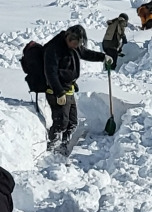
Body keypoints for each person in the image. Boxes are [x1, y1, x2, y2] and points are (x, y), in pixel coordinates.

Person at [43, 24, 112, 153]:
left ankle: (64, 144)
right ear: (68, 37)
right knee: (61, 122)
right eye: (74, 44)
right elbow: (50, 73)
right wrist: (59, 92)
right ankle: (51, 148)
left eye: (78, 44)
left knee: (72, 122)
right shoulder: (54, 49)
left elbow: (86, 53)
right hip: (56, 91)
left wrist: (103, 57)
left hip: (68, 89)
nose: (76, 47)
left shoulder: (75, 45)